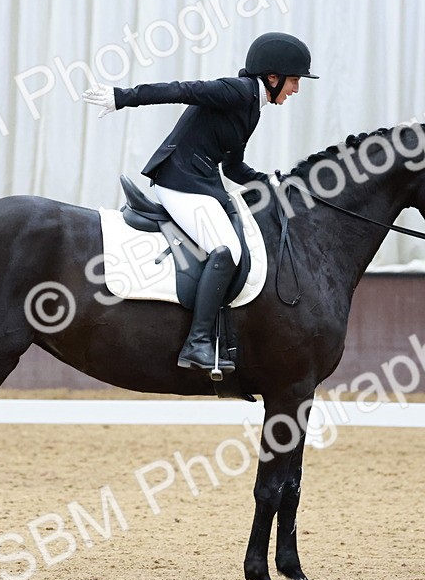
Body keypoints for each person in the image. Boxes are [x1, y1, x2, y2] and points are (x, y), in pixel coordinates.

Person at [82, 32, 317, 374]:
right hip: (179, 182)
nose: (296, 90)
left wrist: (272, 184)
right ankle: (198, 342)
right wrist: (123, 97)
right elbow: (183, 89)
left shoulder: (252, 107)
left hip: (200, 183)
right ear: (272, 77)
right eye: (294, 81)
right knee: (226, 250)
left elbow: (233, 166)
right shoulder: (237, 91)